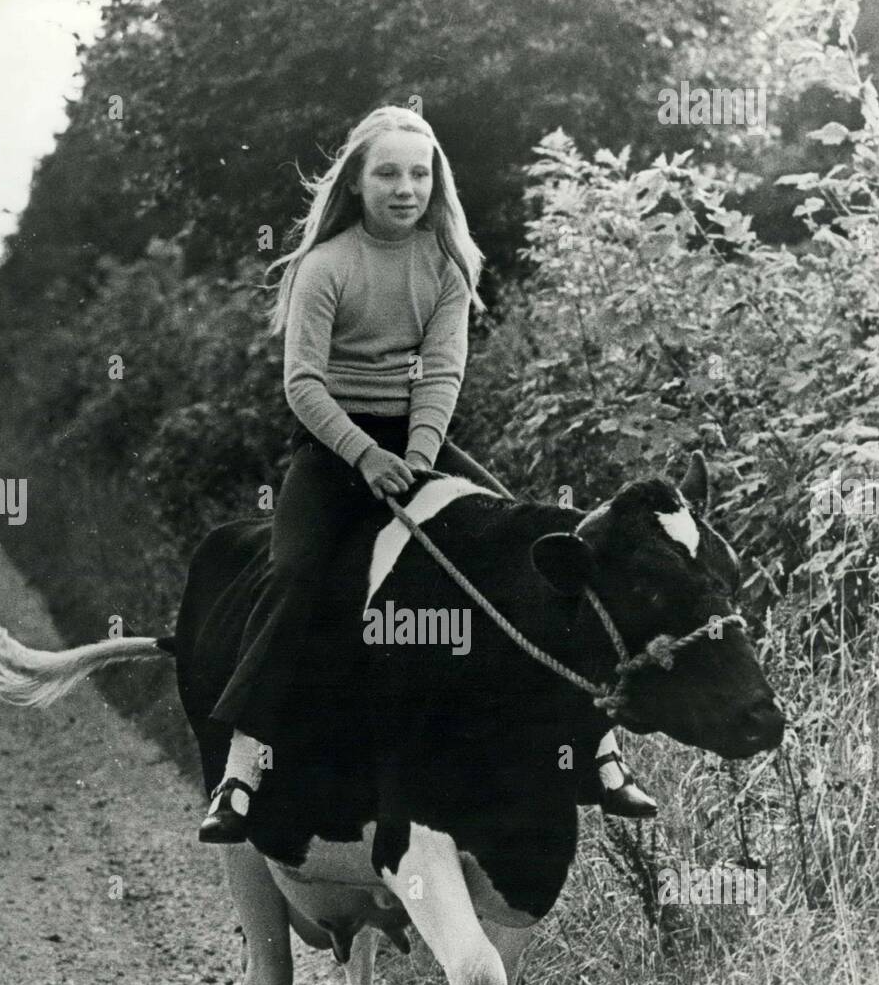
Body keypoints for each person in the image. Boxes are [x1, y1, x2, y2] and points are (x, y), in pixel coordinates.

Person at [200, 105, 655, 842]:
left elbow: (440, 372)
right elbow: (303, 386)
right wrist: (365, 457)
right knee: (293, 573)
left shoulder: (446, 263)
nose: (405, 187)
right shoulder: (325, 266)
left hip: (418, 441)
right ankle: (242, 769)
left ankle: (599, 752)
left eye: (419, 173)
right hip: (335, 448)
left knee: (536, 550)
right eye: (387, 173)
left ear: (434, 180)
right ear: (355, 182)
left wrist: (416, 455)